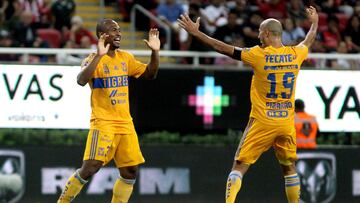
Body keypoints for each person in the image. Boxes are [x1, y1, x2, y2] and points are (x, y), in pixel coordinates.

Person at [178, 5, 318, 203]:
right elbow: (308, 40)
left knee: (239, 165)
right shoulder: (296, 54)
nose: (258, 36)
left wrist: (196, 33)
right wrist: (315, 22)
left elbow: (222, 48)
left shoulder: (257, 55)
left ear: (268, 33)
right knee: (288, 168)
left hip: (262, 121)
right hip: (286, 123)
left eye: (261, 32)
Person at [57, 19, 160, 203]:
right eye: (114, 30)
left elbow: (150, 74)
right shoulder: (91, 59)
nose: (119, 33)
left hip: (125, 124)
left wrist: (155, 52)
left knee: (130, 171)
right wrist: (98, 55)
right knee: (90, 167)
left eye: (119, 30)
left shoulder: (125, 58)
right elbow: (81, 80)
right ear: (102, 35)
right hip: (103, 122)